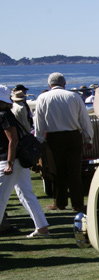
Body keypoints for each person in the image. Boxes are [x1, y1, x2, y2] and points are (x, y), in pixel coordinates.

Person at [33, 72, 93, 213]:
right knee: (74, 171)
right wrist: (88, 138)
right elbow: (84, 119)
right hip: (73, 136)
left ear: (49, 85)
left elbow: (39, 122)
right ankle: (77, 204)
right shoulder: (74, 97)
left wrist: (39, 140)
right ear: (64, 84)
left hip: (54, 138)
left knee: (57, 171)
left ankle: (59, 202)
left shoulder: (42, 98)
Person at [0, 85, 50, 238]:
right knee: (25, 194)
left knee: (2, 196)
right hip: (16, 160)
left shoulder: (3, 115)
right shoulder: (6, 113)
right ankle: (42, 227)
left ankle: (42, 227)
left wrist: (9, 163)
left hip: (10, 160)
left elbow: (12, 141)